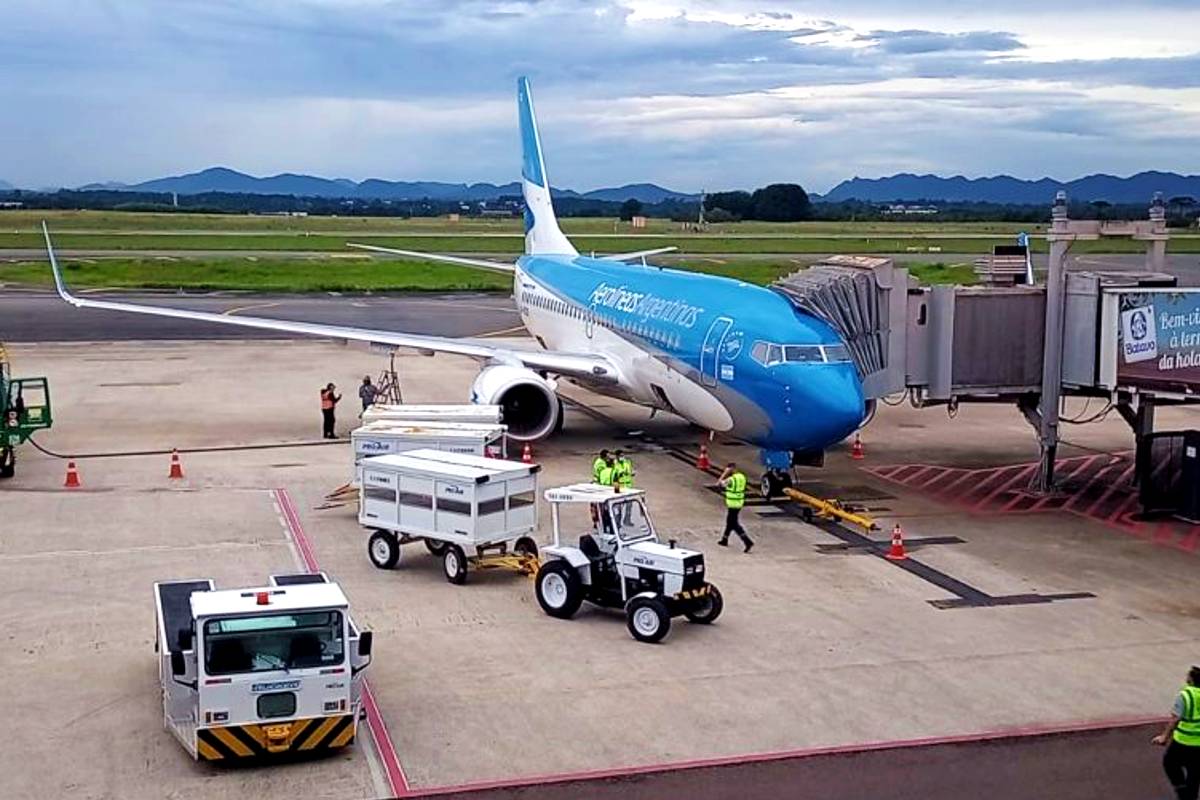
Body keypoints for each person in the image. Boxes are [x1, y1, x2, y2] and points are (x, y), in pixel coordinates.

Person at [1154, 665, 1200, 800]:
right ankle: (1189, 795)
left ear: (1191, 680)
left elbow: (1175, 719)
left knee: (1170, 763)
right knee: (1195, 773)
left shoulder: (1185, 696)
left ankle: (1181, 790)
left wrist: (1164, 737)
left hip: (1184, 740)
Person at [717, 462, 753, 553]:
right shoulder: (742, 477)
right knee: (730, 521)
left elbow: (719, 483)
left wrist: (724, 474)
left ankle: (747, 541)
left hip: (732, 503)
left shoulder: (731, 480)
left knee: (734, 524)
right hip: (739, 502)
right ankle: (724, 539)